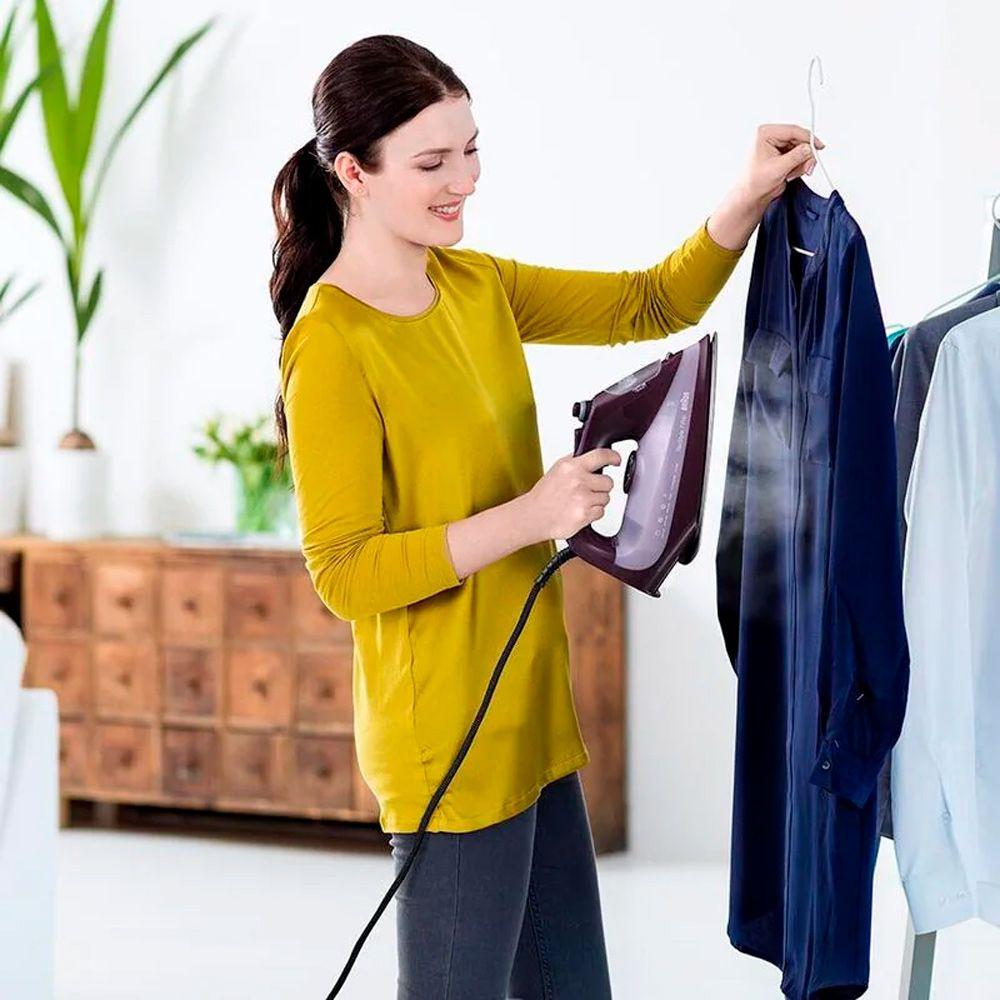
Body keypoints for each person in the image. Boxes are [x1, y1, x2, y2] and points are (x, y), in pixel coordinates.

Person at [269, 32, 823, 1000]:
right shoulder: (332, 342)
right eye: (432, 163)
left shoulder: (473, 286)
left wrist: (745, 197)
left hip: (530, 713)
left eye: (471, 150)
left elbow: (651, 301)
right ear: (353, 172)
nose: (463, 181)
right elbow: (345, 573)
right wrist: (534, 513)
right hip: (448, 739)